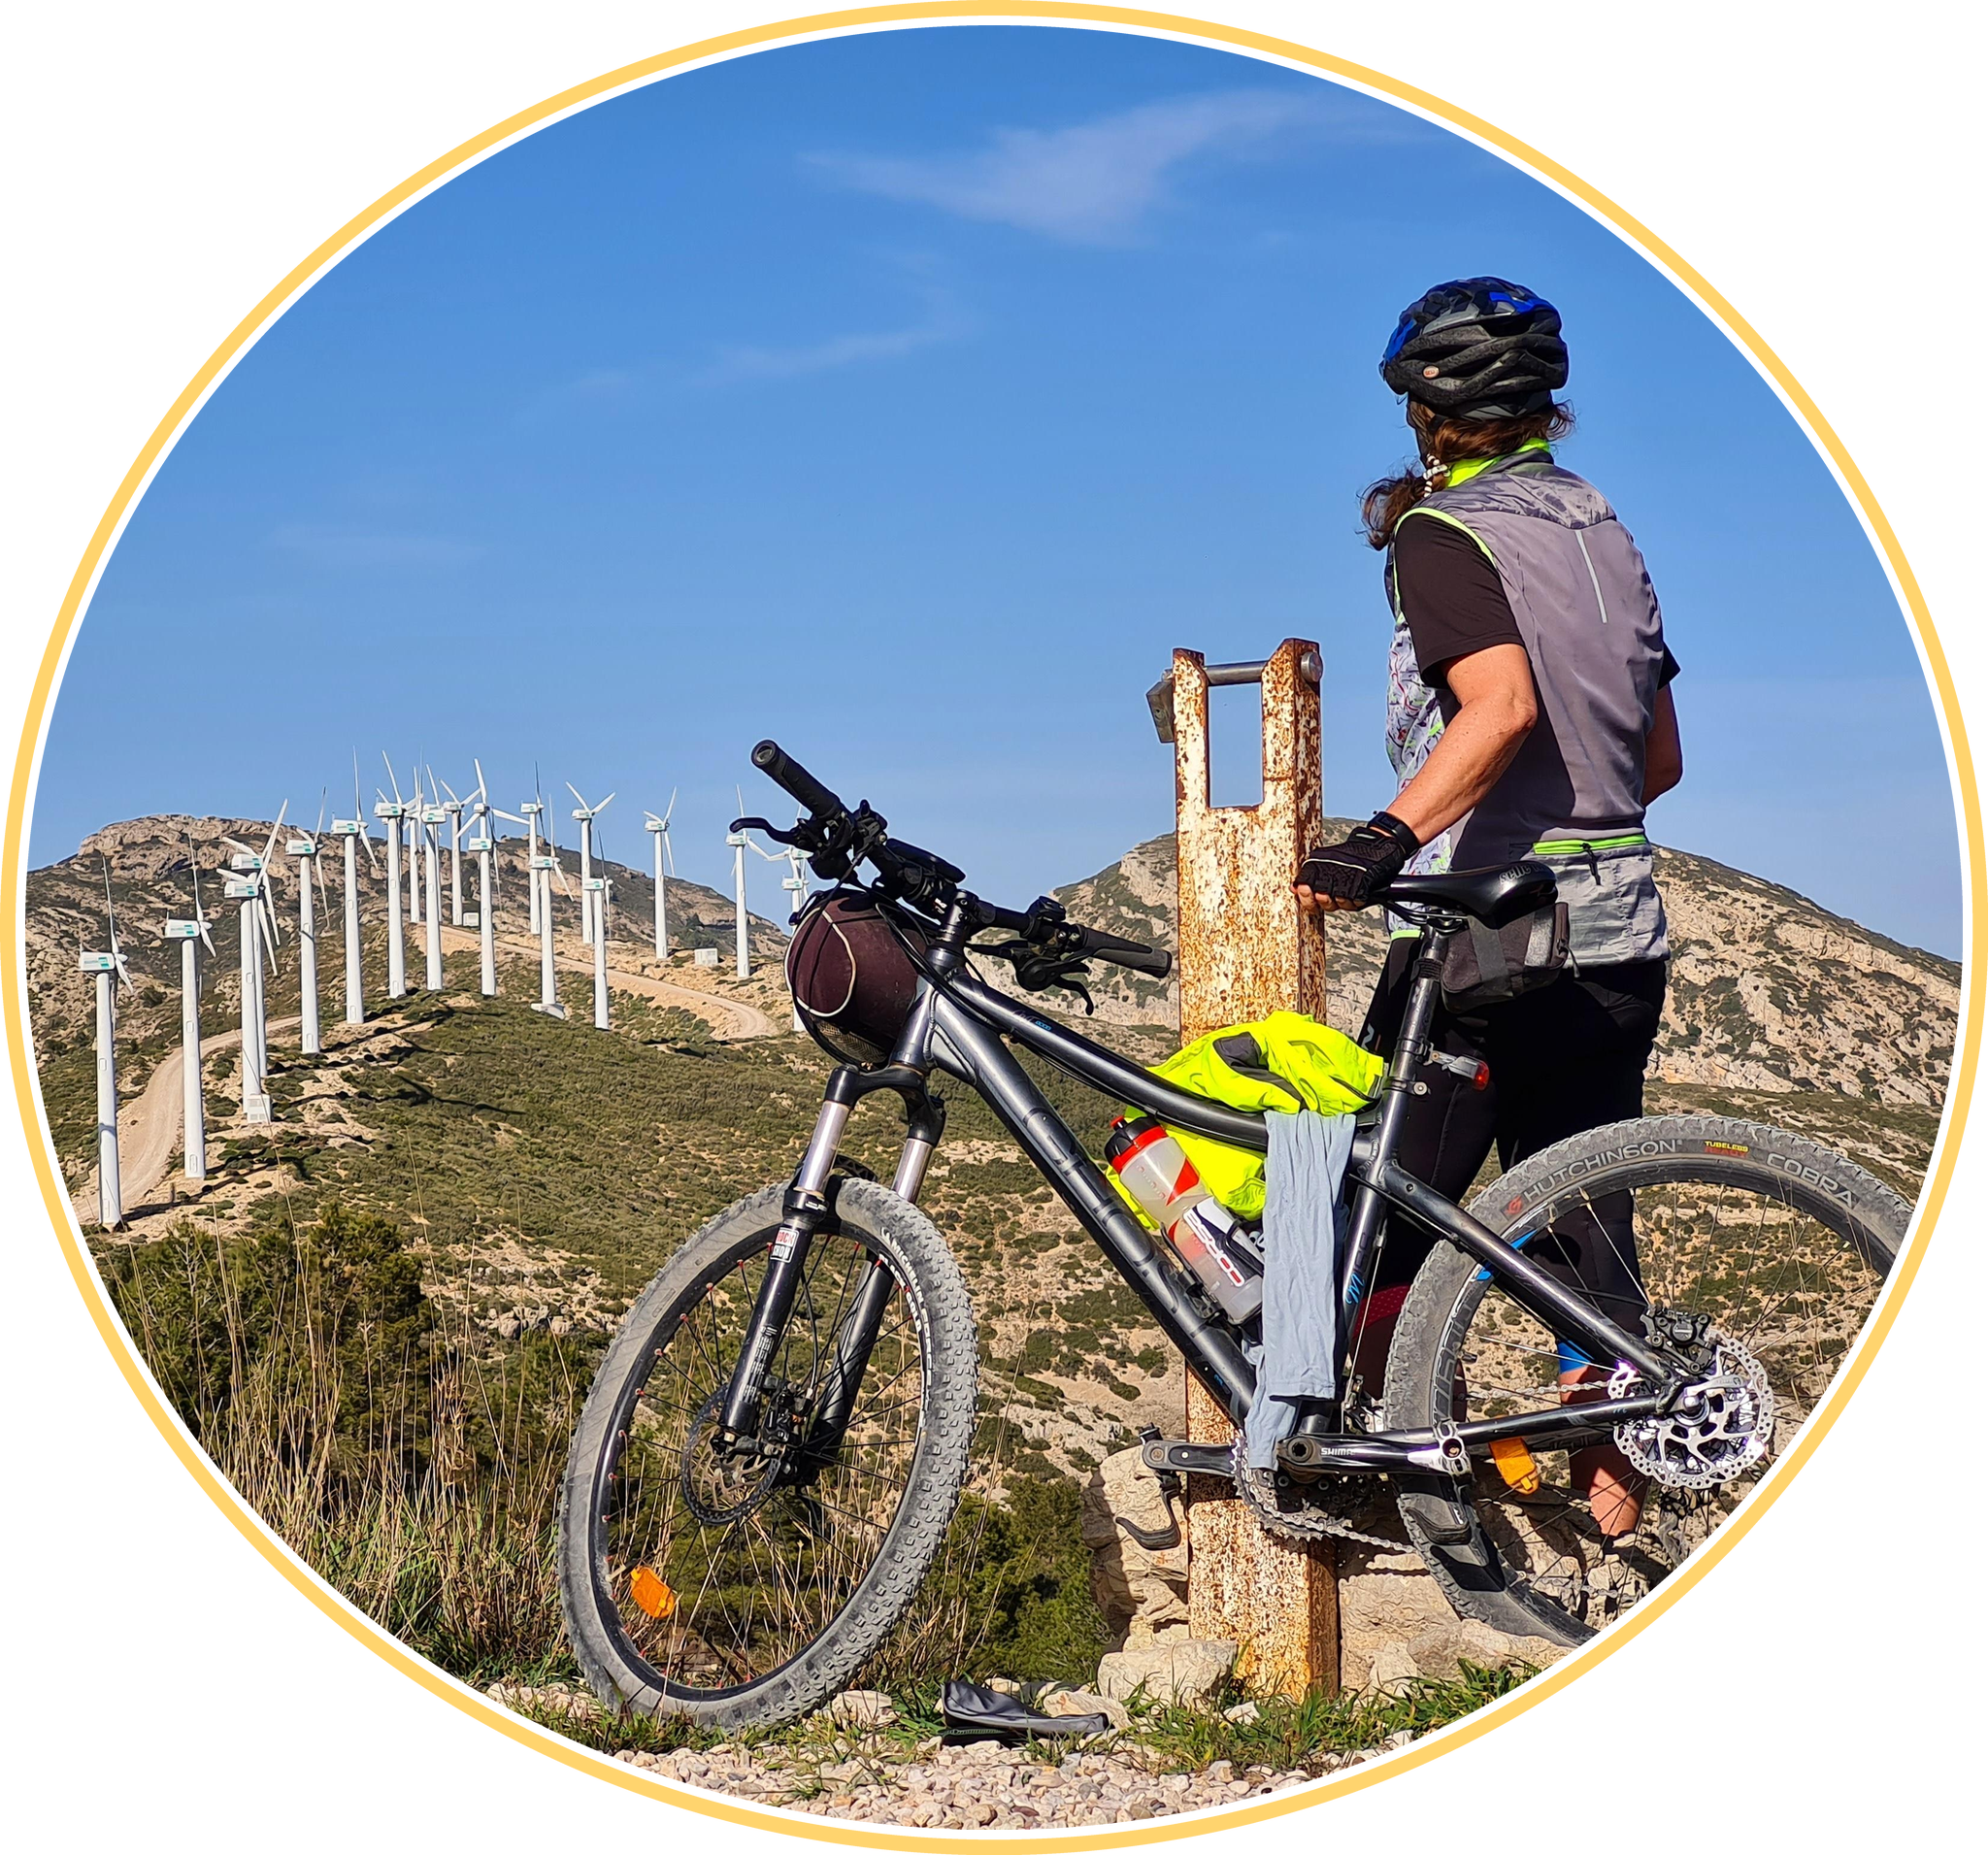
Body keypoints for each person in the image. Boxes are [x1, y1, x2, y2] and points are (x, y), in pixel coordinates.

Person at [1294, 277, 1683, 1540]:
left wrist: (1385, 840)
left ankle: (1364, 1485)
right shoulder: (1601, 527)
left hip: (1494, 939)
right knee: (1584, 1222)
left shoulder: (1441, 534)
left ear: (1424, 411)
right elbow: (1659, 757)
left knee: (1362, 1216)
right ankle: (1618, 1515)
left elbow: (1501, 706)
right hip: (1620, 931)